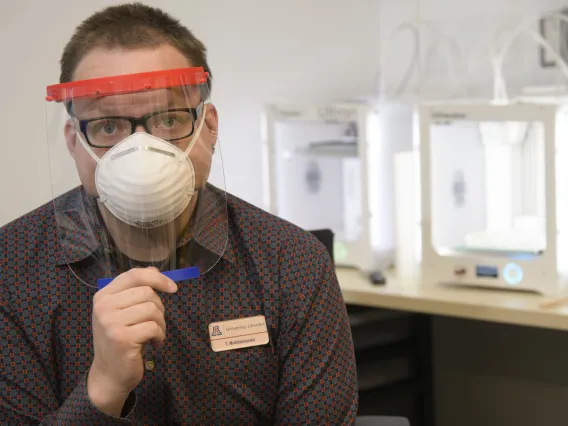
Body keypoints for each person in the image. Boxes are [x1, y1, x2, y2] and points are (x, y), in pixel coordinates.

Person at [0, 2, 358, 424]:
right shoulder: (10, 269)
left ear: (209, 127)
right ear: (74, 142)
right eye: (108, 127)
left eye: (169, 119)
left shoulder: (291, 261)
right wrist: (103, 389)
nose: (141, 150)